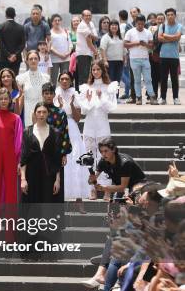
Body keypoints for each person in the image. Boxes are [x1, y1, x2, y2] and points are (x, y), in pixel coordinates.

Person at [79, 60, 118, 199]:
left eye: (98, 69)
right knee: (89, 159)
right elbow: (83, 110)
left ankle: (107, 189)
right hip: (89, 126)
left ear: (102, 70)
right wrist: (89, 100)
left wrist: (102, 98)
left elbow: (111, 108)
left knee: (106, 158)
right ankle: (92, 188)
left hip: (102, 126)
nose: (95, 72)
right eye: (93, 70)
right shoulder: (86, 87)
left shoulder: (110, 87)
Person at [55, 72, 89, 211]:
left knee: (75, 159)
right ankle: (59, 199)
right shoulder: (55, 93)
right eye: (62, 79)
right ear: (58, 81)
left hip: (72, 129)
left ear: (71, 81)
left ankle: (79, 199)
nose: (64, 81)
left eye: (67, 79)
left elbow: (77, 118)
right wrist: (61, 107)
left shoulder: (76, 94)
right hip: (58, 128)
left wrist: (71, 105)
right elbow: (53, 116)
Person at [20, 102, 63, 203]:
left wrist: (57, 180)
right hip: (31, 176)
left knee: (48, 209)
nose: (41, 114)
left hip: (49, 176)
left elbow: (57, 158)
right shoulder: (27, 132)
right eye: (39, 112)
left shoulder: (55, 132)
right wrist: (23, 179)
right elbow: (24, 157)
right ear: (35, 114)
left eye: (44, 112)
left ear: (48, 114)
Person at [124, 15, 156, 105]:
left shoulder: (148, 32)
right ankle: (138, 97)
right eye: (138, 24)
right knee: (137, 80)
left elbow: (152, 46)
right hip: (134, 58)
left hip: (145, 58)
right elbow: (125, 44)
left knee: (148, 79)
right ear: (135, 23)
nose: (140, 26)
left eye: (142, 24)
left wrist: (145, 44)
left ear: (144, 23)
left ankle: (152, 97)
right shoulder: (130, 32)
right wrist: (137, 43)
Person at [16, 50, 50, 126]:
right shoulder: (20, 78)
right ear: (27, 61)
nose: (33, 61)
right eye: (31, 59)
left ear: (39, 60)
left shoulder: (46, 77)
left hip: (42, 110)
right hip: (28, 109)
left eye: (35, 58)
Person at [158, 8, 183, 105]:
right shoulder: (162, 26)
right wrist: (172, 39)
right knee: (163, 78)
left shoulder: (179, 26)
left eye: (172, 14)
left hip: (174, 57)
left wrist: (165, 36)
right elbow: (160, 38)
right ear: (166, 16)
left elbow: (178, 37)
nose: (170, 16)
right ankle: (163, 98)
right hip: (163, 56)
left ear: (175, 16)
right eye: (168, 15)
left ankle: (176, 98)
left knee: (174, 79)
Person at [0, 7, 25, 75]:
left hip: (3, 58)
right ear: (15, 15)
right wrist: (15, 54)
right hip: (16, 59)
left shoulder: (0, 27)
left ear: (5, 15)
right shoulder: (21, 28)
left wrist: (8, 55)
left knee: (3, 78)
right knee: (14, 78)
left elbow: (0, 43)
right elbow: (23, 44)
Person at [76, 10, 98, 87]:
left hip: (89, 53)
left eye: (89, 15)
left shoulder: (91, 24)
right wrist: (96, 52)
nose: (88, 17)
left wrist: (92, 35)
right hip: (83, 53)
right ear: (82, 17)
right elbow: (89, 42)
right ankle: (82, 94)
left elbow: (95, 38)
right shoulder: (82, 25)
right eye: (86, 15)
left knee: (88, 75)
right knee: (84, 76)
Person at [100, 20, 125, 86]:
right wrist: (105, 61)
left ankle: (116, 96)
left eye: (116, 25)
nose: (114, 27)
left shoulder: (121, 37)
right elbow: (102, 49)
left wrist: (125, 60)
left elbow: (124, 50)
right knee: (110, 80)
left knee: (117, 81)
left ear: (118, 27)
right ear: (109, 27)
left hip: (119, 62)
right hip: (110, 62)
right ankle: (110, 96)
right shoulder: (106, 37)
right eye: (112, 25)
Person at [49, 13, 72, 85]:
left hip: (66, 58)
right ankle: (53, 94)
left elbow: (70, 44)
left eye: (59, 20)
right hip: (54, 59)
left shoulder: (66, 31)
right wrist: (59, 55)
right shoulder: (50, 33)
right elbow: (50, 46)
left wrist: (68, 53)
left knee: (65, 78)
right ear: (52, 22)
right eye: (55, 20)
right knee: (53, 79)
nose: (57, 22)